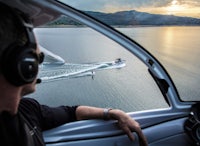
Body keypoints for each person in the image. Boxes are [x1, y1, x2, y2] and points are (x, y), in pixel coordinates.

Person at [0, 2, 148, 146]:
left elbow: (72, 112)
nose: (38, 64)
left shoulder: (28, 109)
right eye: (38, 58)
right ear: (25, 65)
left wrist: (112, 113)